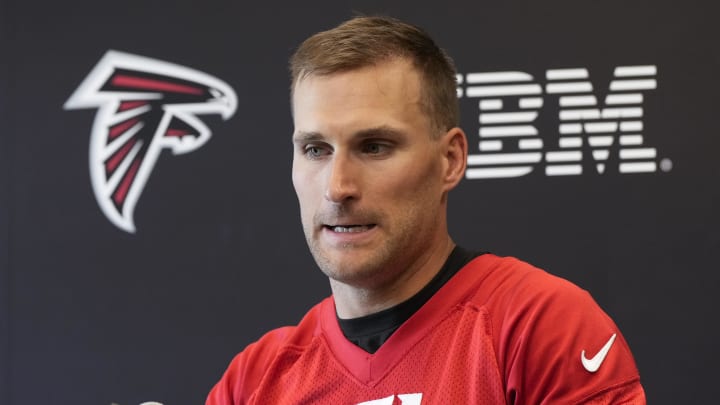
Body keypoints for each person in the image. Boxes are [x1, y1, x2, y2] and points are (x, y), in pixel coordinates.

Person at [207, 15, 645, 404]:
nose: (337, 188)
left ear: (449, 160)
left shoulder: (539, 328)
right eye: (316, 149)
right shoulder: (253, 383)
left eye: (375, 146)